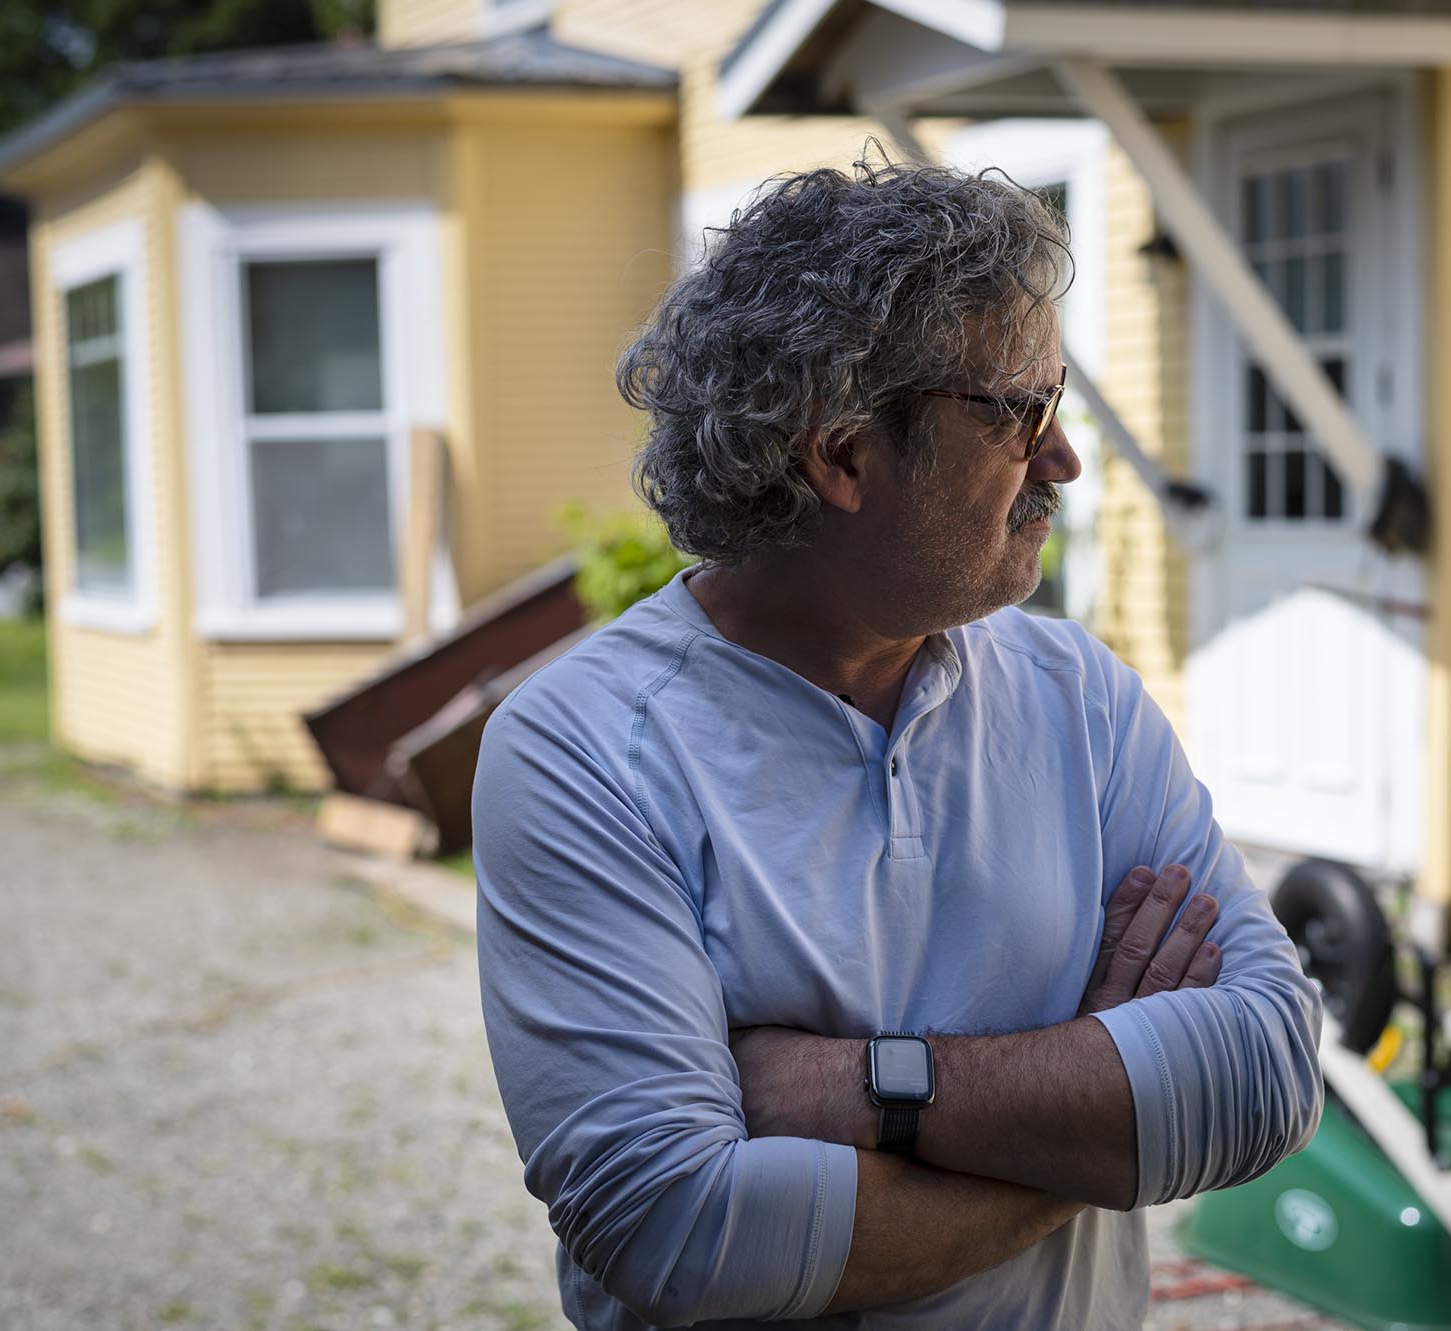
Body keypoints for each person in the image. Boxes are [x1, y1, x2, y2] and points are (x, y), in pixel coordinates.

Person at [473, 155, 1323, 1330]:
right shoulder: (585, 752)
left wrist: (863, 1088)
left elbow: (1268, 1071)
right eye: (1017, 413)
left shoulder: (1078, 696)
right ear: (840, 453)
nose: (1062, 460)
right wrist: (1089, 1118)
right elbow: (676, 1230)